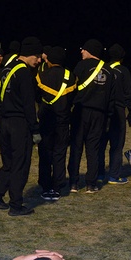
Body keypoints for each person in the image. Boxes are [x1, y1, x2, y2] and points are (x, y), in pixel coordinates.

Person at [0, 37, 43, 217]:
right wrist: (35, 128)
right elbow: (28, 103)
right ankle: (16, 204)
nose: (39, 60)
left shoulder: (8, 68)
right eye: (37, 56)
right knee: (20, 164)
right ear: (31, 54)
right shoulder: (25, 73)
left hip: (4, 122)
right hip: (19, 124)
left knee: (8, 163)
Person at [68, 39, 111, 193]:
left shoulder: (81, 66)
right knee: (93, 149)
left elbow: (72, 87)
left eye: (83, 49)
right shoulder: (108, 70)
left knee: (76, 147)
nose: (81, 52)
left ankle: (73, 183)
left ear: (90, 50)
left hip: (81, 111)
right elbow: (111, 97)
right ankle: (91, 184)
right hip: (100, 114)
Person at [36, 46, 76, 201]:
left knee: (45, 154)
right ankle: (58, 185)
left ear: (50, 60)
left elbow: (37, 96)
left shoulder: (42, 75)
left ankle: (45, 185)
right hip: (63, 121)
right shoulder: (71, 76)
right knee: (60, 153)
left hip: (46, 120)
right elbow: (73, 98)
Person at [104, 44, 131, 185]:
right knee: (117, 144)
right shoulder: (123, 70)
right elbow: (129, 91)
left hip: (104, 110)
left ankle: (98, 173)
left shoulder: (104, 68)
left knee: (101, 142)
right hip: (118, 110)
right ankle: (114, 175)